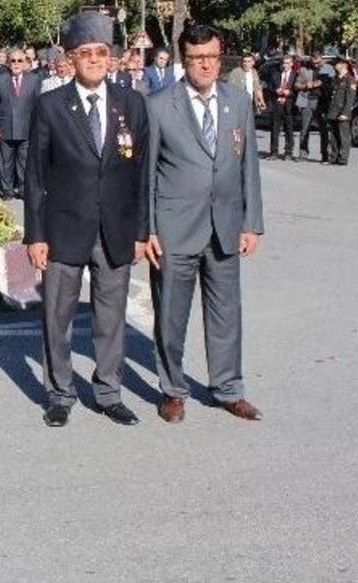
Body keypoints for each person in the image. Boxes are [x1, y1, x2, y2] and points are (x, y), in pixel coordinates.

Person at [24, 12, 149, 427]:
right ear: (71, 58)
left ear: (111, 57)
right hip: (63, 229)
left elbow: (142, 173)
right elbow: (36, 176)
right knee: (57, 316)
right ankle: (60, 393)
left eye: (101, 52)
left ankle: (109, 391)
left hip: (115, 229)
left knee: (111, 317)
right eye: (85, 53)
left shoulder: (132, 103)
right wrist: (35, 235)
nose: (94, 59)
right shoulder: (50, 105)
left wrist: (141, 232)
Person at [144, 24, 265, 423]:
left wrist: (251, 223)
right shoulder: (160, 105)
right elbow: (146, 174)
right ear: (184, 60)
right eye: (197, 58)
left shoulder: (238, 102)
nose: (206, 65)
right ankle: (173, 389)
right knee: (171, 315)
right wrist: (148, 230)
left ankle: (228, 389)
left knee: (227, 312)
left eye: (212, 56)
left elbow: (248, 167)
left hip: (226, 226)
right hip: (174, 228)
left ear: (221, 55)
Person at [0, 44, 40, 199]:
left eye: (20, 60)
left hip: (26, 127)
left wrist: (36, 126)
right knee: (5, 161)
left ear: (25, 62)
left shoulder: (34, 79)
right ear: (8, 63)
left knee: (24, 162)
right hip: (5, 127)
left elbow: (38, 104)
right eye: (13, 61)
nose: (17, 64)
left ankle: (23, 188)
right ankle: (7, 190)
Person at [326, 54, 354, 166]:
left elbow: (350, 98)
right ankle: (333, 157)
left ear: (343, 65)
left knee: (343, 136)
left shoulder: (350, 80)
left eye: (336, 64)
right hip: (333, 111)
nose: (334, 66)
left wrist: (345, 113)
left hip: (343, 112)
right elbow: (331, 97)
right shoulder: (335, 79)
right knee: (333, 136)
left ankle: (343, 159)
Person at [267, 55, 296, 159]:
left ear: (292, 64)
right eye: (284, 63)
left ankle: (288, 152)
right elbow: (269, 87)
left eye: (288, 63)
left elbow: (298, 90)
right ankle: (274, 152)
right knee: (275, 129)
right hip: (277, 104)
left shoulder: (295, 75)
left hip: (289, 105)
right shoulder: (275, 74)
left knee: (289, 129)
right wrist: (276, 90)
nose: (285, 65)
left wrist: (290, 92)